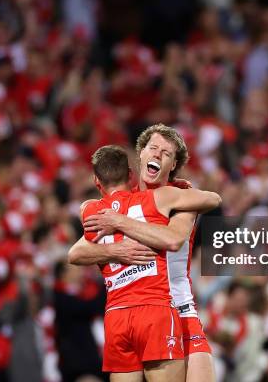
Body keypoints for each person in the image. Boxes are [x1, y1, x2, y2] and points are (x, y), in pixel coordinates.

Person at [69, 124, 219, 382]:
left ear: (173, 165)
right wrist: (117, 251)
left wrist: (119, 222)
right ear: (140, 155)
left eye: (167, 153)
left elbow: (173, 239)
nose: (158, 155)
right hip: (140, 311)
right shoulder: (124, 200)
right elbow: (79, 251)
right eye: (153, 148)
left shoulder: (181, 199)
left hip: (180, 308)